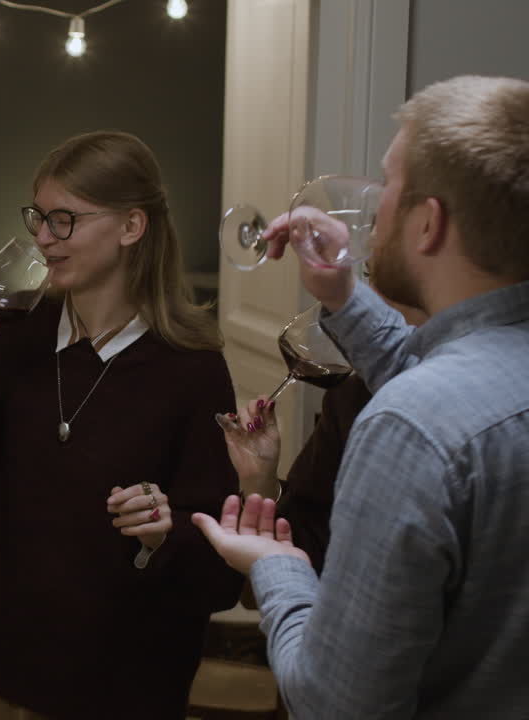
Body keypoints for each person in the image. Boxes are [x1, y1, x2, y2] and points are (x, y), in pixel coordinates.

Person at [194, 75, 529, 718]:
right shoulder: (471, 382)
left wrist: (278, 565)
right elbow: (448, 370)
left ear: (428, 223)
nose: (373, 212)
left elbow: (335, 703)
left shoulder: (411, 425)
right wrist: (343, 296)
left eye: (389, 185)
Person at [0, 130, 242, 719]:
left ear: (132, 227)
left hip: (116, 686)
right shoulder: (16, 336)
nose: (42, 238)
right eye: (38, 218)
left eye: (64, 220)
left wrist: (164, 528)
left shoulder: (194, 372)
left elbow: (217, 572)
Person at [221, 301, 427, 574]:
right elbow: (307, 546)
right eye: (366, 275)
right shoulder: (350, 398)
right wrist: (260, 481)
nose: (364, 302)